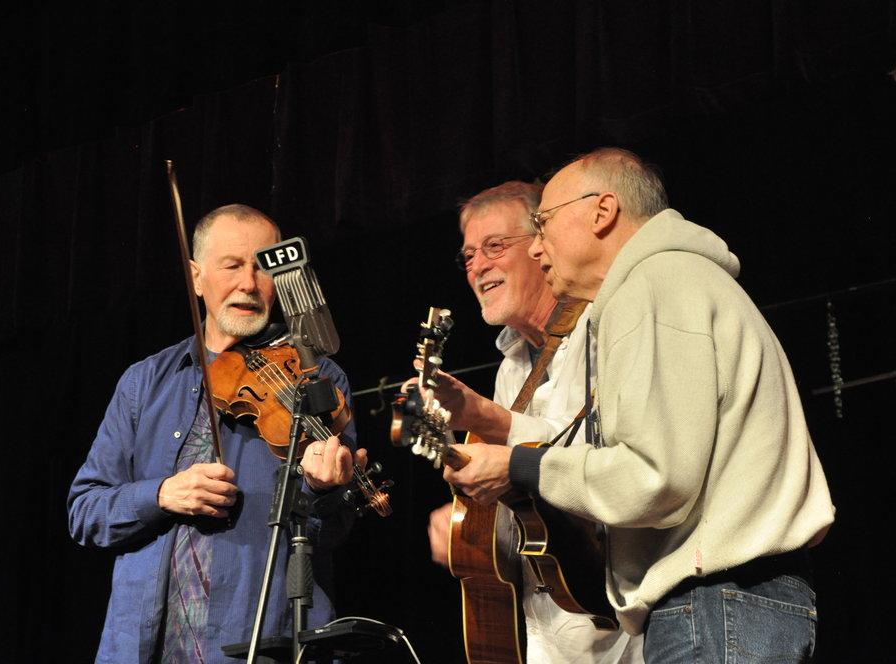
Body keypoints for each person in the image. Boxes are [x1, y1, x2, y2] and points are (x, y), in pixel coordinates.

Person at [442, 148, 836, 663]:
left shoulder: (652, 285)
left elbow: (656, 477)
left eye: (544, 225)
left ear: (602, 212)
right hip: (733, 605)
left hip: (716, 604)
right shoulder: (680, 282)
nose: (538, 249)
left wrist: (518, 464)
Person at [68, 204, 365, 663]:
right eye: (232, 266)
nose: (249, 283)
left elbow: (334, 531)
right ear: (196, 277)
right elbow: (85, 510)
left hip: (255, 643)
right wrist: (162, 494)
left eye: (263, 267)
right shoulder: (144, 382)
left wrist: (325, 489)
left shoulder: (314, 377)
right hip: (143, 648)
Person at [423, 181, 642, 663]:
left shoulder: (602, 328)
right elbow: (527, 510)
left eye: (495, 247)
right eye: (468, 256)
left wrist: (488, 420)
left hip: (631, 632)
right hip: (549, 639)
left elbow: (605, 459)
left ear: (542, 247)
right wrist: (468, 527)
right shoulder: (511, 370)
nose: (478, 265)